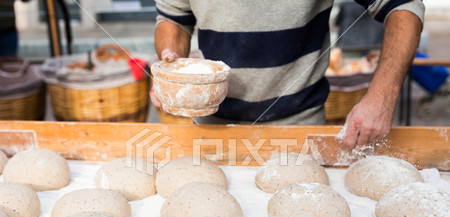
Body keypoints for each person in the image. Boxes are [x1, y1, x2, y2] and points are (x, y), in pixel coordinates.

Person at [150, 0, 425, 148]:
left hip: (299, 132)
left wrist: (382, 96)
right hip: (210, 131)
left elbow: (403, 6)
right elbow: (174, 19)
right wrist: (170, 71)